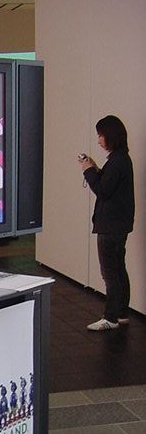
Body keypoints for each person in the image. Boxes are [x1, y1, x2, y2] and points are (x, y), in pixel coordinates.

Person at [78, 115, 135, 331]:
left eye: (101, 135)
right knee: (119, 270)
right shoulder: (121, 159)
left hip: (111, 226)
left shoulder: (118, 161)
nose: (99, 140)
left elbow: (103, 190)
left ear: (111, 135)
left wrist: (88, 170)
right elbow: (109, 184)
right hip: (119, 225)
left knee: (110, 272)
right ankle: (121, 313)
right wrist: (95, 168)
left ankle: (110, 317)